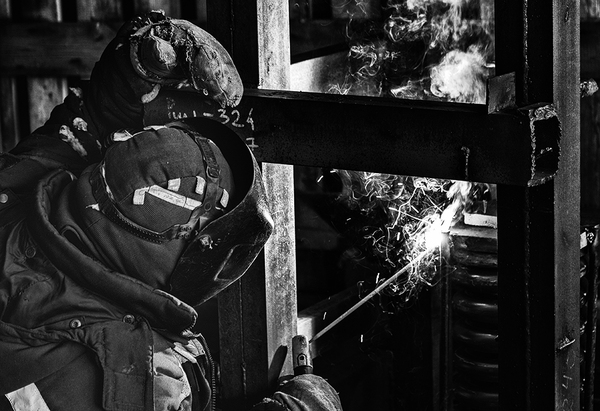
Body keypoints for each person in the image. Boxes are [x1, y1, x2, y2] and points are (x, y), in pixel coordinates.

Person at [0, 11, 342, 411]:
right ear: (176, 249)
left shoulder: (19, 189)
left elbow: (90, 121)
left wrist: (141, 58)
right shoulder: (137, 384)